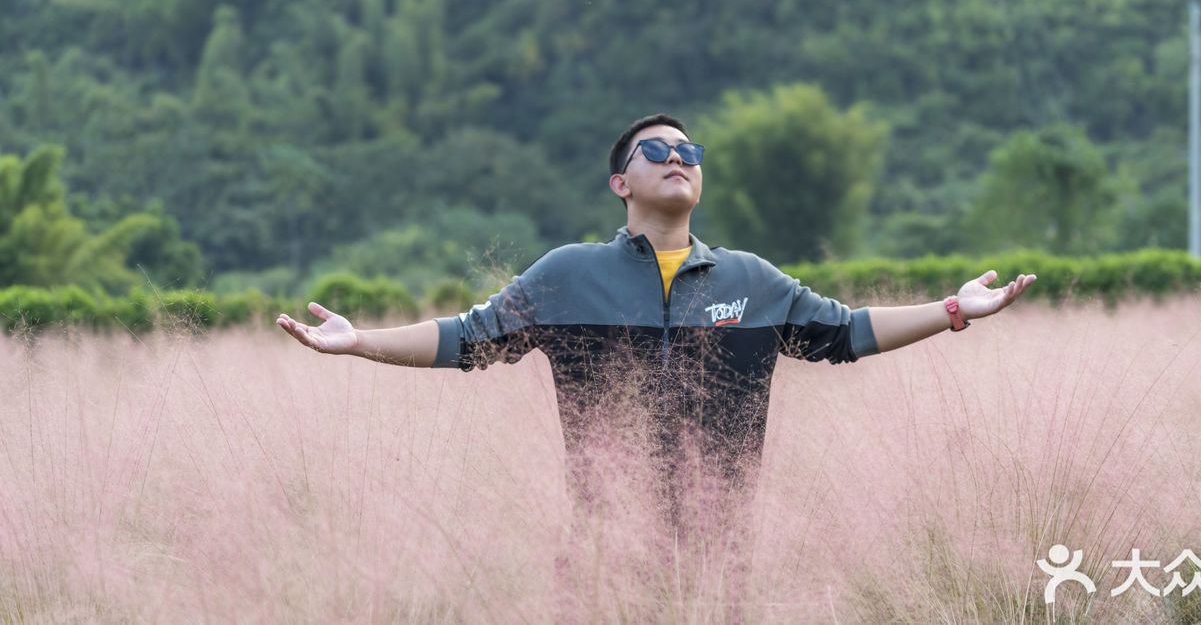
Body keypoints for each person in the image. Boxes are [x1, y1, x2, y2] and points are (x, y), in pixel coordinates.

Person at [276, 114, 1036, 509]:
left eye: (690, 151)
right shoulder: (568, 274)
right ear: (621, 183)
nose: (679, 157)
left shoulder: (753, 279)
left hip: (726, 542)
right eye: (657, 150)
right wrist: (358, 342)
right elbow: (467, 339)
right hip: (606, 539)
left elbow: (850, 331)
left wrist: (953, 310)